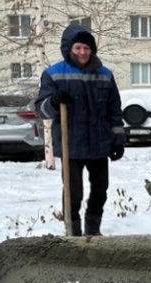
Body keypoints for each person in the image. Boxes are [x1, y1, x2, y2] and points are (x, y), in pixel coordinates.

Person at [36, 24, 126, 237]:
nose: (83, 52)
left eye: (86, 48)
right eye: (78, 48)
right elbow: (41, 110)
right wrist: (54, 101)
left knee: (100, 190)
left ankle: (93, 231)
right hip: (71, 146)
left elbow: (114, 109)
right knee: (72, 193)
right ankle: (73, 233)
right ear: (69, 49)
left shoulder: (104, 74)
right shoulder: (54, 74)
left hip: (99, 144)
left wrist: (118, 139)